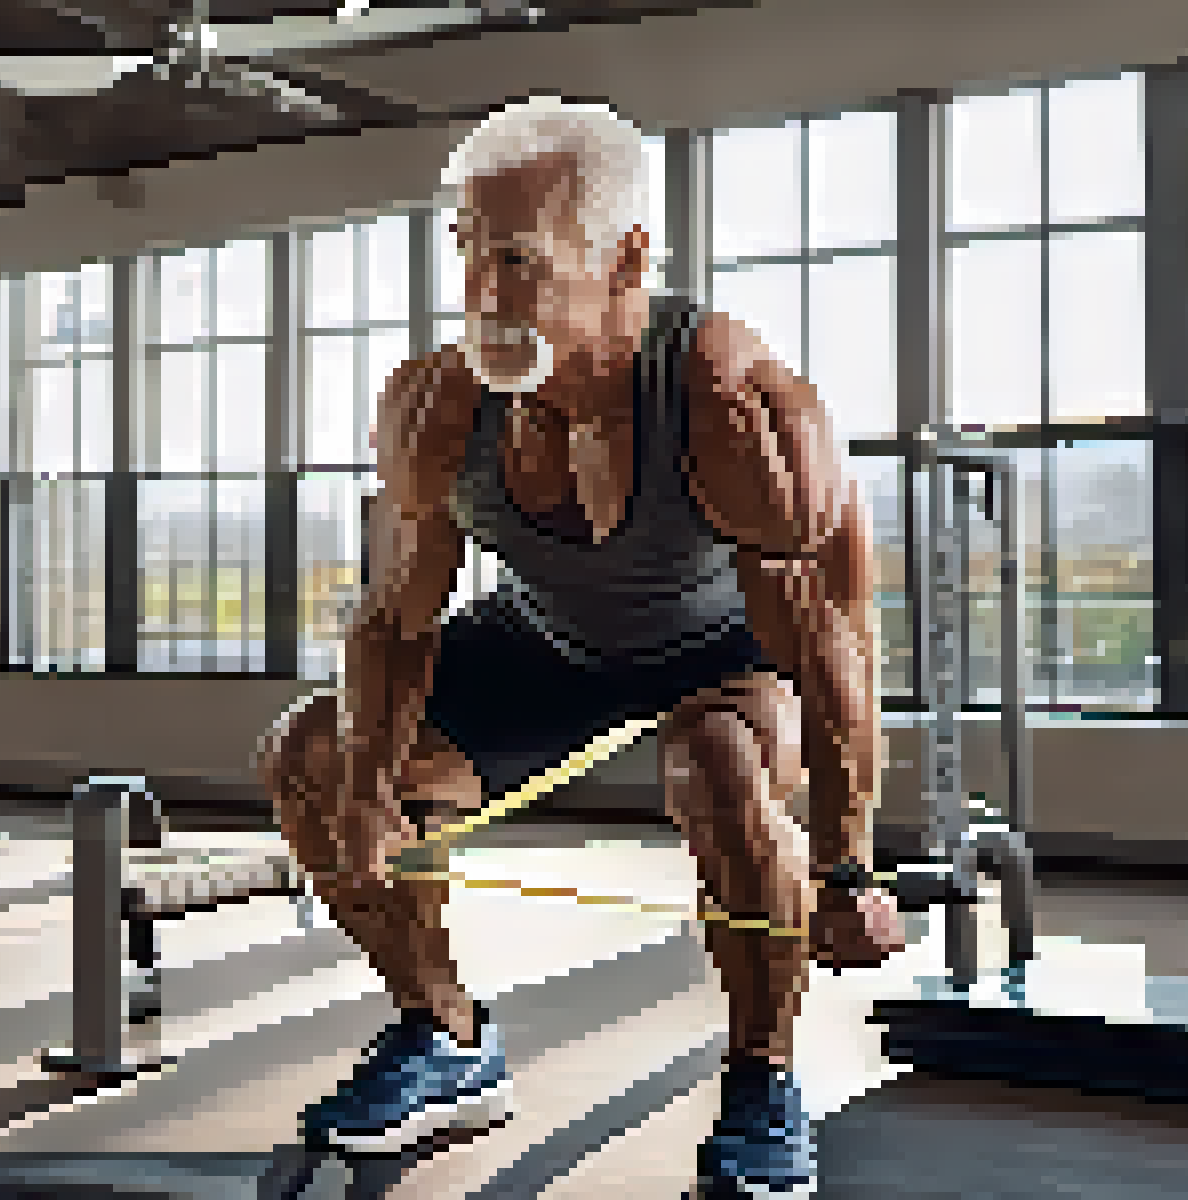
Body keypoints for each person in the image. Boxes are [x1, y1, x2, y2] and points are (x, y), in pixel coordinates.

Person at [255, 96, 906, 1196]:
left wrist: (843, 862)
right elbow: (395, 619)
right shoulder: (440, 405)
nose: (484, 295)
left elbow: (829, 640)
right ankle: (444, 1037)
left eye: (519, 260)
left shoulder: (727, 401)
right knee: (310, 757)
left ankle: (762, 1077)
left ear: (625, 256)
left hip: (723, 653)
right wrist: (368, 791)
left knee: (721, 769)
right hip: (546, 645)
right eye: (466, 251)